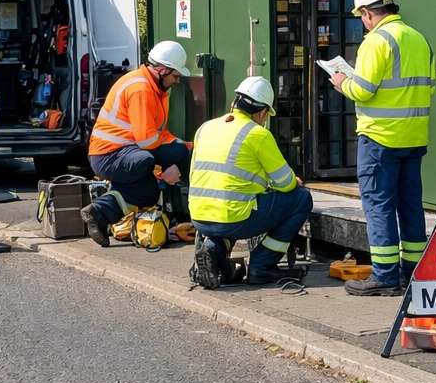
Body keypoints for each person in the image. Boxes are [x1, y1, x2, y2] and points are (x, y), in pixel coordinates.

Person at [328, 0, 435, 296]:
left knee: (378, 206)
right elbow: (426, 88)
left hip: (379, 139)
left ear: (366, 12)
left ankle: (386, 276)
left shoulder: (377, 41)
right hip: (413, 138)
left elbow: (362, 89)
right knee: (411, 206)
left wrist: (340, 82)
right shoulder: (418, 39)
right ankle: (414, 273)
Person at [188, 76, 313, 288]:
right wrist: (291, 181)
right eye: (266, 116)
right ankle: (262, 266)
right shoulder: (257, 133)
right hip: (235, 216)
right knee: (301, 198)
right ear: (262, 112)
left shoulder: (205, 128)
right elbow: (285, 183)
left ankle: (213, 249)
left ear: (233, 104)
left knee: (229, 215)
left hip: (199, 216)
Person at [79, 40, 194, 246]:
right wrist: (162, 171)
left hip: (124, 153)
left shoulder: (153, 88)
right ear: (162, 70)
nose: (177, 81)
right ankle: (178, 206)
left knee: (148, 191)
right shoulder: (141, 89)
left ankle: (99, 212)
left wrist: (182, 147)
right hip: (109, 156)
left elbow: (160, 133)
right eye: (175, 76)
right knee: (146, 159)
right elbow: (147, 140)